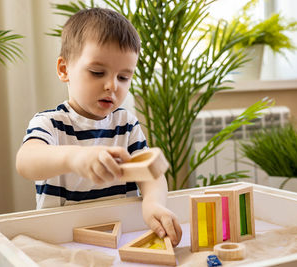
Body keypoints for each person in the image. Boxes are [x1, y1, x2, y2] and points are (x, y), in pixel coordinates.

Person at [16, 8, 182, 246]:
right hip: (61, 241)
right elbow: (26, 162)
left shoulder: (127, 124)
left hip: (122, 239)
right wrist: (76, 158)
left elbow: (151, 174)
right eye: (97, 72)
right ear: (64, 70)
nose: (111, 86)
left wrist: (153, 203)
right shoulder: (50, 124)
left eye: (123, 77)